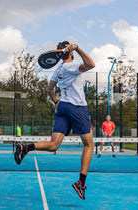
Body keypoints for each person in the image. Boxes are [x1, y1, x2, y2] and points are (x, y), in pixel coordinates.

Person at [14, 41, 95, 200]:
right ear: (70, 52)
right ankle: (81, 183)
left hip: (63, 107)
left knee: (54, 144)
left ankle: (27, 147)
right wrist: (78, 48)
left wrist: (57, 102)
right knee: (89, 144)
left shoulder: (58, 70)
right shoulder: (70, 67)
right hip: (77, 107)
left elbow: (49, 90)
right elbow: (91, 64)